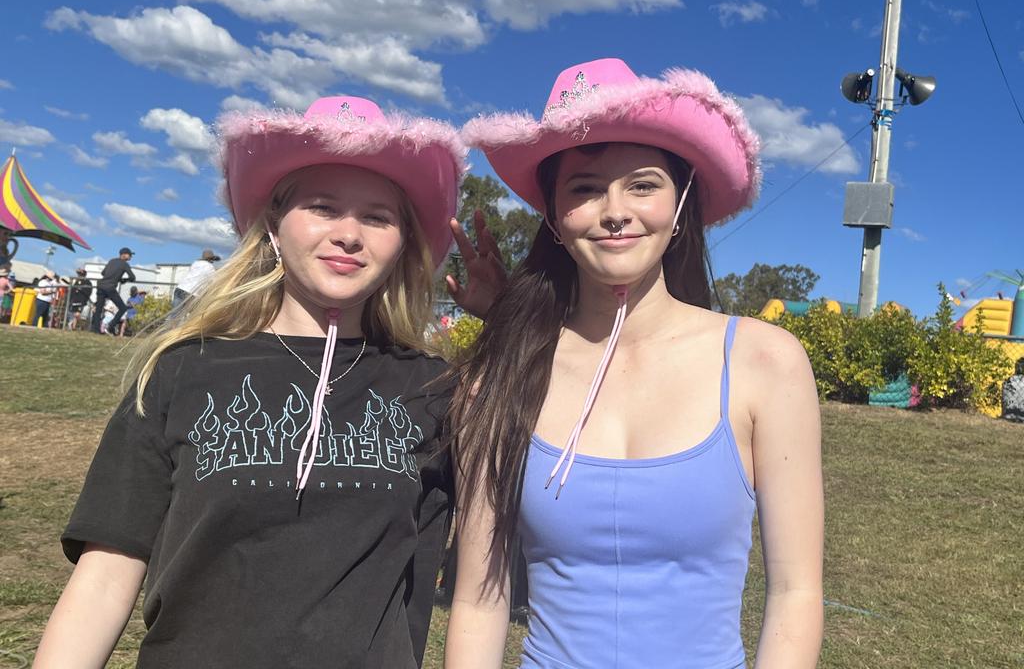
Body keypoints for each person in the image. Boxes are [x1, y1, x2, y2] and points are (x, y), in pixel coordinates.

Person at [35, 95, 469, 668]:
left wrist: (514, 316)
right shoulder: (181, 370)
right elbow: (108, 573)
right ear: (273, 223)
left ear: (402, 242)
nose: (348, 234)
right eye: (322, 207)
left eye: (377, 216)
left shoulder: (436, 389)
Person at [445, 59, 824, 668]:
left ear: (680, 207)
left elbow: (796, 592)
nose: (615, 210)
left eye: (643, 185)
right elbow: (479, 602)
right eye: (585, 188)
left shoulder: (764, 362)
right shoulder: (498, 376)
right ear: (554, 216)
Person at [91, 247, 136, 333]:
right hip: (110, 287)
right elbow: (132, 277)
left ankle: (96, 329)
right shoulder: (124, 264)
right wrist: (123, 280)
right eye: (130, 255)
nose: (131, 257)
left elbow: (103, 273)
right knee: (123, 308)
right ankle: (111, 325)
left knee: (99, 309)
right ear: (124, 255)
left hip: (101, 286)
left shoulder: (112, 261)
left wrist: (116, 277)